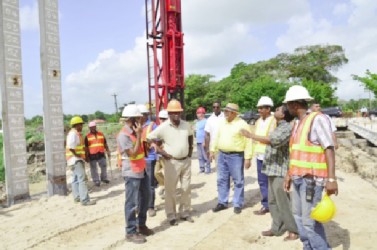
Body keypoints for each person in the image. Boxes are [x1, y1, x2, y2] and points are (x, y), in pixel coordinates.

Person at [283, 85, 338, 249]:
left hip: (312, 181)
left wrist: (331, 179)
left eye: (287, 105)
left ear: (294, 104)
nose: (286, 108)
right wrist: (288, 175)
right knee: (298, 218)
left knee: (310, 223)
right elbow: (295, 153)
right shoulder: (298, 123)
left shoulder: (317, 119)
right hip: (298, 178)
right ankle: (308, 247)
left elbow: (329, 148)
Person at [241, 105, 298, 241]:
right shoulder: (278, 126)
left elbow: (273, 140)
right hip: (272, 169)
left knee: (283, 202)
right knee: (272, 201)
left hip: (280, 171)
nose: (275, 111)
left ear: (283, 115)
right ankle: (276, 227)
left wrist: (250, 135)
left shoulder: (286, 128)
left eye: (278, 110)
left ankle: (293, 230)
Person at [147, 99, 194, 226]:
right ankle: (171, 215)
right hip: (171, 162)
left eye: (178, 112)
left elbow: (190, 137)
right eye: (173, 113)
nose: (176, 115)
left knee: (186, 188)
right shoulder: (163, 127)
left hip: (185, 162)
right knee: (170, 190)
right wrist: (161, 152)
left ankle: (184, 212)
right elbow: (149, 138)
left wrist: (190, 152)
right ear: (169, 114)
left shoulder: (186, 125)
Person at [117, 105, 154, 244]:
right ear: (132, 120)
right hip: (131, 171)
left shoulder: (134, 132)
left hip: (141, 169)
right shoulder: (124, 135)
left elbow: (141, 150)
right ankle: (131, 231)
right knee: (132, 202)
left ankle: (141, 224)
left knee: (145, 197)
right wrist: (139, 135)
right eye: (139, 118)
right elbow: (132, 152)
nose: (142, 121)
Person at [210, 103, 252, 214]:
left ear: (234, 113)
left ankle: (237, 204)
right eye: (225, 111)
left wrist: (248, 158)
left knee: (238, 181)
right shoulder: (222, 123)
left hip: (236, 156)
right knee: (222, 179)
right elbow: (216, 137)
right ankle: (222, 202)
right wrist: (212, 150)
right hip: (222, 155)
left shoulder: (242, 124)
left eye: (227, 111)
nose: (225, 113)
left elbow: (248, 142)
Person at [253, 96, 276, 215]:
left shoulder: (274, 120)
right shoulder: (258, 121)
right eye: (259, 108)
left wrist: (252, 137)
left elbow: (271, 139)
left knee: (273, 182)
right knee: (262, 182)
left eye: (262, 108)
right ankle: (266, 205)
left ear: (268, 108)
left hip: (271, 156)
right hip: (260, 156)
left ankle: (275, 205)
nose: (259, 110)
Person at [66, 116, 96, 206]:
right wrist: (78, 155)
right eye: (81, 125)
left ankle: (77, 197)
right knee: (82, 179)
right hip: (75, 160)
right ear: (77, 125)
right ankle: (85, 200)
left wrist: (83, 157)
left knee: (75, 179)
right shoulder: (73, 134)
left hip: (73, 160)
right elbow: (71, 147)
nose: (82, 126)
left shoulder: (76, 133)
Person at [138, 104, 158, 217]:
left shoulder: (152, 126)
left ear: (144, 116)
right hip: (138, 159)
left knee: (150, 184)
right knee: (139, 184)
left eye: (140, 116)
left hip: (149, 158)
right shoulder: (136, 126)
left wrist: (152, 144)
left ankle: (150, 207)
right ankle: (140, 205)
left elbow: (158, 140)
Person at [84, 121, 111, 187]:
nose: (93, 128)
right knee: (94, 168)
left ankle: (104, 178)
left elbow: (105, 144)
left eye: (94, 127)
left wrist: (108, 151)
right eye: (91, 127)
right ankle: (96, 180)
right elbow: (86, 148)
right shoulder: (87, 136)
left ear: (95, 127)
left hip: (101, 153)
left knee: (104, 166)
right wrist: (86, 156)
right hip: (92, 155)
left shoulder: (101, 134)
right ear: (89, 128)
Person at [204, 100, 225, 168]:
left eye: (217, 107)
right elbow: (207, 135)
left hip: (226, 147)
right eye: (214, 107)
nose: (215, 108)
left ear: (220, 107)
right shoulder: (209, 120)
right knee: (219, 169)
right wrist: (208, 150)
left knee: (229, 170)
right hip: (216, 149)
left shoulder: (225, 117)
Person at [154, 109, 169, 199]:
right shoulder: (157, 128)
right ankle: (163, 185)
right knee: (156, 173)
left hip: (166, 155)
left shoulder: (169, 129)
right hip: (158, 155)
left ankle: (169, 190)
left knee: (168, 173)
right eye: (161, 118)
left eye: (164, 118)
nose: (162, 120)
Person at [195, 107, 211, 173]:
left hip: (204, 141)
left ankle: (208, 169)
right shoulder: (197, 122)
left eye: (202, 113)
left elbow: (207, 132)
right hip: (198, 141)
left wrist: (205, 141)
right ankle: (202, 168)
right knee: (200, 156)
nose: (200, 114)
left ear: (204, 114)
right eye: (199, 113)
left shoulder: (206, 121)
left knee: (205, 155)